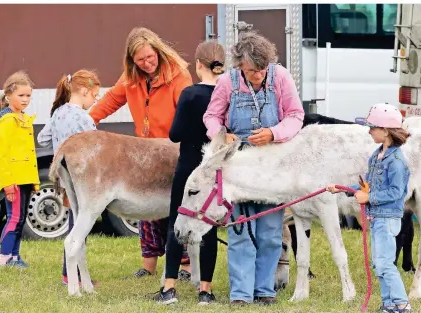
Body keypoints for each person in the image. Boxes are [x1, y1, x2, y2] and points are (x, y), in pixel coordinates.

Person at [203, 31, 305, 305]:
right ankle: (240, 294)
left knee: (271, 233)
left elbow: (296, 115)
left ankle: (264, 290)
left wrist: (274, 133)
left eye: (261, 71)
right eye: (251, 71)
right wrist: (223, 135)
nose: (257, 75)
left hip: (273, 166)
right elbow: (211, 116)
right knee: (240, 230)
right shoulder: (226, 82)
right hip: (239, 168)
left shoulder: (281, 77)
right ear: (239, 67)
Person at [89, 27, 193, 278]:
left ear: (158, 50)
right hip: (144, 152)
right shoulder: (130, 77)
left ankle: (186, 266)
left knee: (177, 207)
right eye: (140, 60)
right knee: (145, 207)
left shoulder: (179, 74)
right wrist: (86, 121)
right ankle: (149, 265)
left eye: (150, 57)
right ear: (131, 61)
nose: (147, 64)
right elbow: (111, 100)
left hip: (172, 150)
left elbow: (187, 111)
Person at [154, 41, 225, 305]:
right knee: (209, 227)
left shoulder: (190, 94)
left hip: (188, 167)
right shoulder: (227, 94)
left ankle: (169, 287)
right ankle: (205, 290)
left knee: (177, 221)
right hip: (213, 173)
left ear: (198, 65)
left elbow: (174, 134)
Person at [327, 103, 412, 313]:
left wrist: (368, 197)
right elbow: (368, 185)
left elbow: (395, 192)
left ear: (385, 131)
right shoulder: (376, 155)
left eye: (373, 127)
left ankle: (402, 303)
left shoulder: (397, 162)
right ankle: (389, 304)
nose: (369, 131)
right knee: (379, 264)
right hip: (376, 218)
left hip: (387, 218)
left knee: (385, 264)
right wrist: (344, 188)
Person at [37, 70, 101, 286]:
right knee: (80, 224)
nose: (95, 101)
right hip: (83, 179)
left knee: (73, 222)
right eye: (94, 96)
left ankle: (69, 273)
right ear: (84, 91)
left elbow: (42, 139)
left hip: (64, 178)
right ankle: (74, 274)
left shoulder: (58, 114)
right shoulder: (83, 117)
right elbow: (97, 145)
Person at [0, 70, 40, 269]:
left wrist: (34, 180)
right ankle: (4, 259)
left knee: (20, 219)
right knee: (13, 218)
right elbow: (1, 156)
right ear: (8, 95)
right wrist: (8, 183)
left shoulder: (23, 117)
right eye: (21, 95)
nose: (26, 99)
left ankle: (15, 256)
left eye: (28, 95)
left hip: (26, 178)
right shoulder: (7, 120)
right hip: (15, 180)